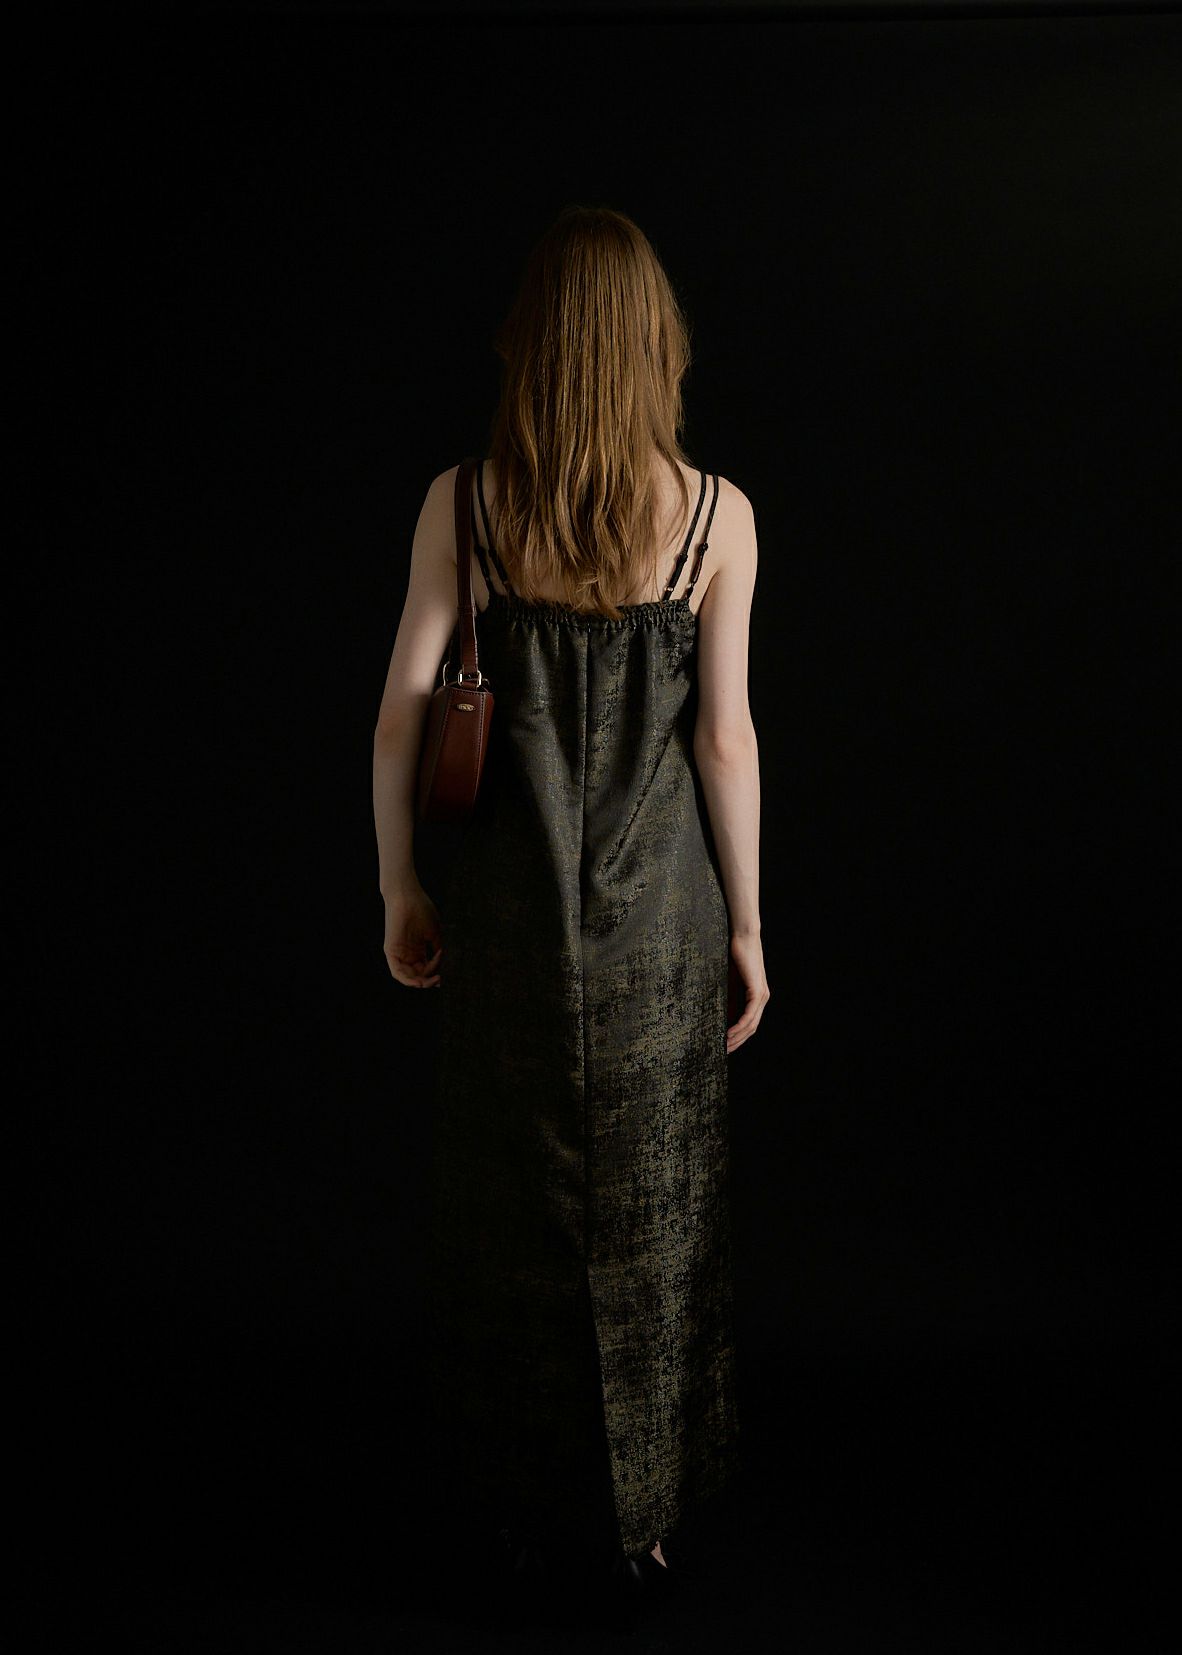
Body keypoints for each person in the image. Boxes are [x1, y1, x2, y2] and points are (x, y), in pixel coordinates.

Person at [372, 205, 768, 1613]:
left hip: (508, 920)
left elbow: (402, 713)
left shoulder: (463, 503)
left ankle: (515, 1506)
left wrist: (399, 883)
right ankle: (640, 1519)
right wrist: (747, 931)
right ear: (658, 344)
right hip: (661, 924)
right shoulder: (717, 516)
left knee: (513, 1208)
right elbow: (723, 739)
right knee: (655, 1216)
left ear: (529, 344)